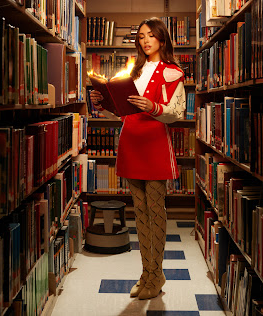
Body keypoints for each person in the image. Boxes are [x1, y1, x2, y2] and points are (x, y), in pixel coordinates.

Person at [90, 17, 186, 300]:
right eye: (142, 36)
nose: (145, 41)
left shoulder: (172, 72)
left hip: (154, 142)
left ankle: (156, 275)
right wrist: (103, 102)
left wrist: (154, 106)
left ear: (162, 40)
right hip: (131, 140)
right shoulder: (134, 71)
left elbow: (176, 112)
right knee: (139, 212)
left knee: (156, 212)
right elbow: (122, 110)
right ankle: (147, 272)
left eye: (151, 36)